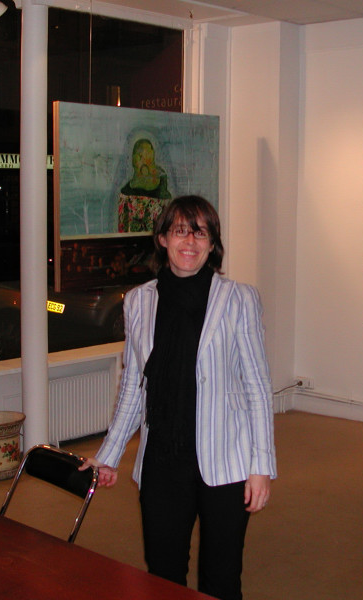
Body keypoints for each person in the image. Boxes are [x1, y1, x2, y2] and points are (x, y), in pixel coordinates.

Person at [83, 195, 276, 600]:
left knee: (221, 580)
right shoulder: (140, 301)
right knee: (163, 575)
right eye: (180, 231)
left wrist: (261, 466)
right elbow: (134, 386)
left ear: (212, 243)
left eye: (200, 233)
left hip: (226, 459)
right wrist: (109, 455)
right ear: (163, 239)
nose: (190, 241)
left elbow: (257, 387)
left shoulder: (239, 299)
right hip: (162, 460)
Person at [117, 138, 172, 233]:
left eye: (147, 155)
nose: (143, 160)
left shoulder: (163, 195)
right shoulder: (126, 196)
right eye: (139, 156)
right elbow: (123, 229)